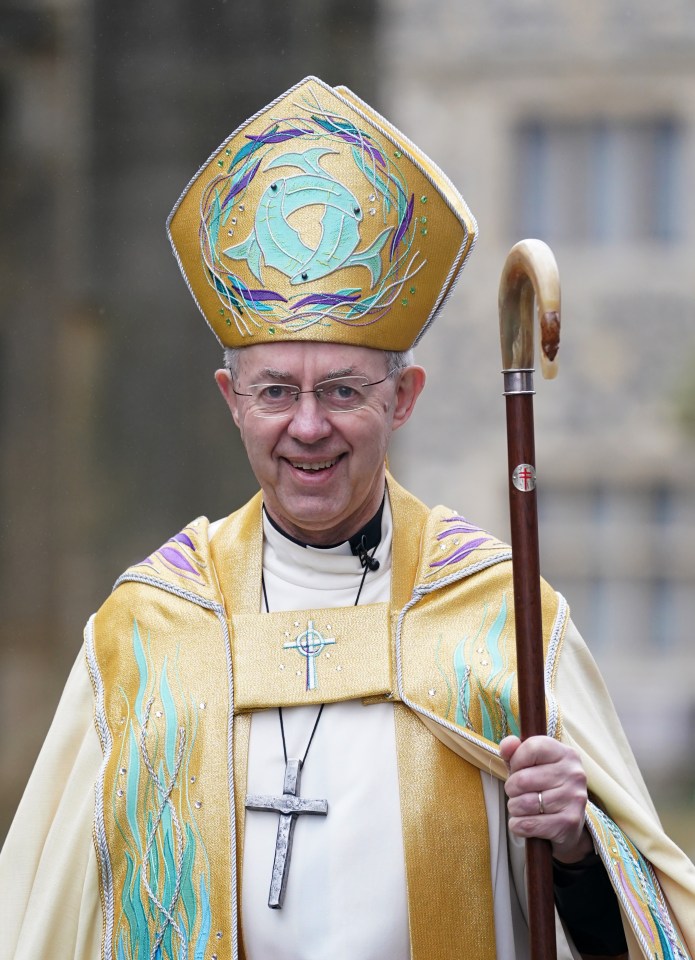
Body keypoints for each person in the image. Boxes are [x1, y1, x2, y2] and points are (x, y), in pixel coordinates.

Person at [1, 76, 694, 960]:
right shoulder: (148, 632)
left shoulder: (500, 618)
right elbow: (48, 918)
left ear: (403, 398)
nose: (308, 426)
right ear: (230, 400)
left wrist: (571, 845)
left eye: (342, 390)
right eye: (276, 392)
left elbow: (633, 933)